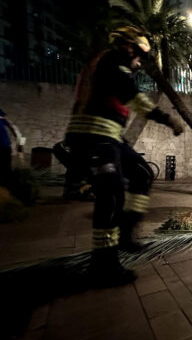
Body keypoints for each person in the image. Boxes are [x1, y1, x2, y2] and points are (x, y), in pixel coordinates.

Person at [62, 26, 184, 287]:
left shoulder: (111, 63)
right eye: (139, 55)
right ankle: (103, 265)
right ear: (128, 47)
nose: (139, 61)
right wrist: (168, 119)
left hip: (110, 136)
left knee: (141, 174)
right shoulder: (111, 62)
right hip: (92, 135)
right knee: (111, 194)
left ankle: (127, 234)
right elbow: (134, 98)